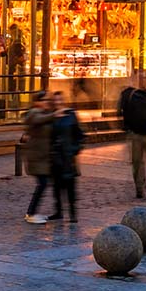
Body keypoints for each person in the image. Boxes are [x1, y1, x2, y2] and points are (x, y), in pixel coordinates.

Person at [119, 80, 146, 198]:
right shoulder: (131, 96)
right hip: (137, 134)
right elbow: (125, 112)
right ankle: (140, 188)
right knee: (138, 163)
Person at [50, 91, 84, 224]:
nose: (58, 103)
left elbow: (79, 135)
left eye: (59, 100)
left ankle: (72, 213)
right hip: (56, 156)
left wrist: (75, 149)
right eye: (55, 100)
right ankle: (59, 211)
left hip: (68, 157)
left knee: (70, 186)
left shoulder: (71, 115)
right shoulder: (52, 117)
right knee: (57, 186)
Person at [23, 90, 55, 223]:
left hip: (42, 157)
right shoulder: (33, 113)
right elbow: (37, 119)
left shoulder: (44, 113)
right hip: (37, 157)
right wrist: (55, 114)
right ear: (37, 102)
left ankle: (32, 212)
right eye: (44, 100)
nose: (46, 102)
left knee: (43, 184)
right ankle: (31, 213)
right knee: (42, 184)